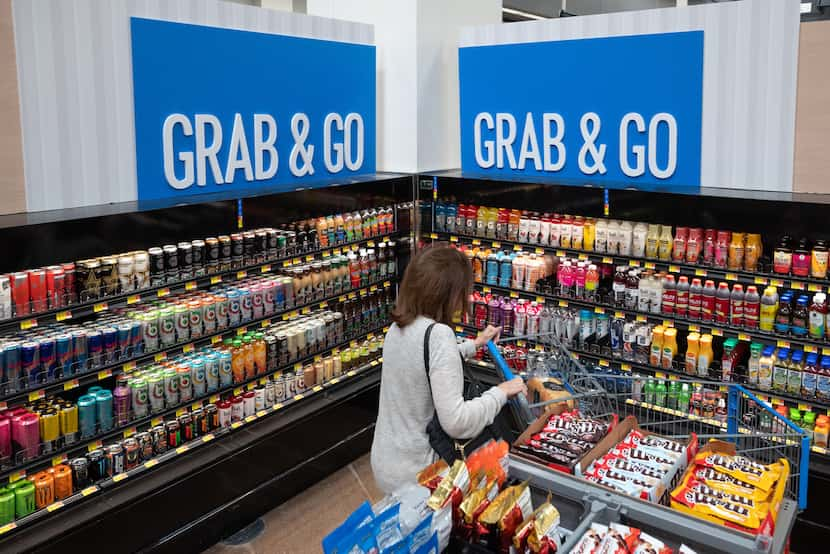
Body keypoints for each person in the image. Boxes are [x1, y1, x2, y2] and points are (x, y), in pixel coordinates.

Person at [371, 245, 527, 494]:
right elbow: (457, 422)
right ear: (447, 293)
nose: (466, 298)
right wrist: (500, 392)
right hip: (421, 473)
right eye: (463, 290)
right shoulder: (439, 335)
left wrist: (474, 344)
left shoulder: (398, 326)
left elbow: (423, 362)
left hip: (386, 462)